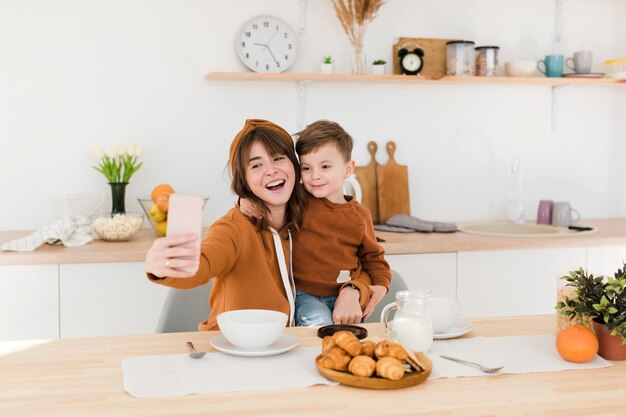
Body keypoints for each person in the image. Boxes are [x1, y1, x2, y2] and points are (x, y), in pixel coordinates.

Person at [144, 119, 371, 330]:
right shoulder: (234, 227)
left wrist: (352, 290)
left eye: (278, 158)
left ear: (295, 167)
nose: (271, 170)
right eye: (256, 165)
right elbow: (205, 262)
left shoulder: (306, 218)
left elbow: (359, 263)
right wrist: (163, 266)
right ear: (244, 179)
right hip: (230, 352)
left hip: (284, 351)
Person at [241, 120, 391, 326]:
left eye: (325, 166)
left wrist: (381, 286)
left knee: (349, 336)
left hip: (345, 294)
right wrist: (245, 200)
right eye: (306, 168)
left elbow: (374, 259)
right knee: (320, 326)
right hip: (304, 295)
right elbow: (267, 195)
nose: (315, 176)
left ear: (347, 170)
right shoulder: (297, 198)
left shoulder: (359, 216)